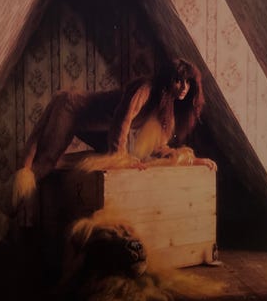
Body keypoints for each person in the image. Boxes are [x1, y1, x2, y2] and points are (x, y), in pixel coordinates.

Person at [12, 58, 216, 209]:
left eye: (188, 82)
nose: (184, 87)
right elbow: (122, 121)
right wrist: (121, 158)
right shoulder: (145, 88)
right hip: (72, 108)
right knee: (42, 163)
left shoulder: (165, 107)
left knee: (96, 161)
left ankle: (53, 174)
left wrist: (191, 161)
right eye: (178, 80)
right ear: (167, 80)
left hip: (99, 127)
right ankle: (5, 213)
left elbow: (159, 147)